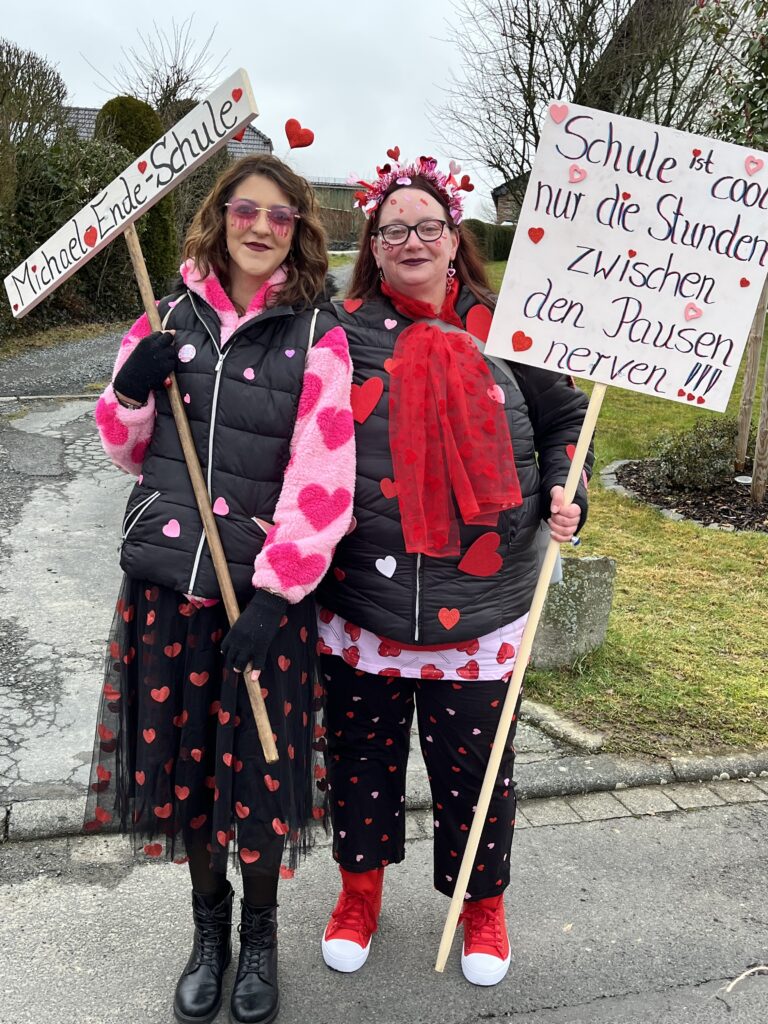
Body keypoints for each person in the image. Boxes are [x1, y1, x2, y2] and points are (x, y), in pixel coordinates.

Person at [84, 154, 355, 1024]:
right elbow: (125, 448)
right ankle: (210, 935)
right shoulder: (164, 318)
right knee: (189, 776)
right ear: (220, 215)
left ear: (299, 232)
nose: (261, 227)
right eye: (248, 209)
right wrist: (129, 387)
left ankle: (262, 942)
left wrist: (277, 598)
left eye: (282, 216)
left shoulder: (319, 337)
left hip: (260, 605)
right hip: (168, 594)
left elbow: (326, 477)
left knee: (259, 785)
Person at [315, 154, 592, 986]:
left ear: (453, 236)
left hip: (484, 600)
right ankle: (358, 894)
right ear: (372, 242)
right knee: (360, 760)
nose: (411, 240)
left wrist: (564, 484)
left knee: (476, 771)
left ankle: (482, 906)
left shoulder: (512, 325)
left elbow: (565, 417)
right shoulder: (338, 328)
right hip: (364, 600)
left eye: (426, 225)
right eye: (392, 228)